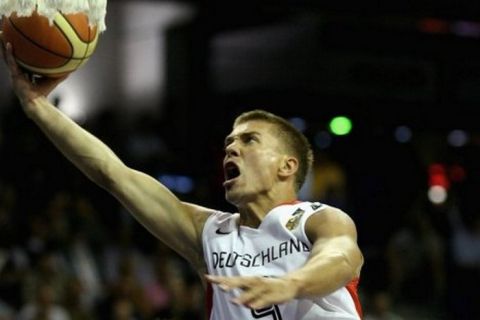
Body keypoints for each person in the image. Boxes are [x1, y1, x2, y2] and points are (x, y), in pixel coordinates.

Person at [1, 36, 364, 319]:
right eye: (229, 143)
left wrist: (290, 284)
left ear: (287, 166)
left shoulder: (318, 218)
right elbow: (114, 174)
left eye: (249, 140)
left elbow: (342, 257)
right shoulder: (210, 233)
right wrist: (38, 108)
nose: (231, 149)